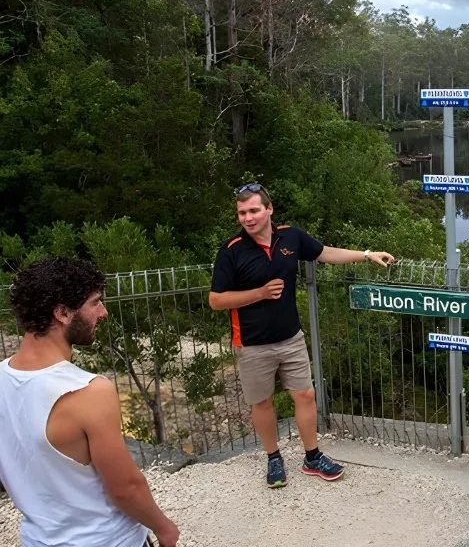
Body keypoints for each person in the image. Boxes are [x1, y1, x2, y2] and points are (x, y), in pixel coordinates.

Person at [209, 182, 395, 488]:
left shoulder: (291, 236)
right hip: (252, 344)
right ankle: (273, 459)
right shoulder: (231, 251)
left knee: (305, 395)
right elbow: (216, 300)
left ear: (269, 210)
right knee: (263, 403)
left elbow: (325, 253)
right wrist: (259, 293)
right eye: (242, 212)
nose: (248, 217)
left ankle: (312, 457)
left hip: (291, 337)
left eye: (254, 210)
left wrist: (366, 254)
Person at [0, 257, 179, 547]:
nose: (104, 312)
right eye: (95, 302)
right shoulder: (88, 391)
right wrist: (165, 528)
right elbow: (125, 488)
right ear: (62, 312)